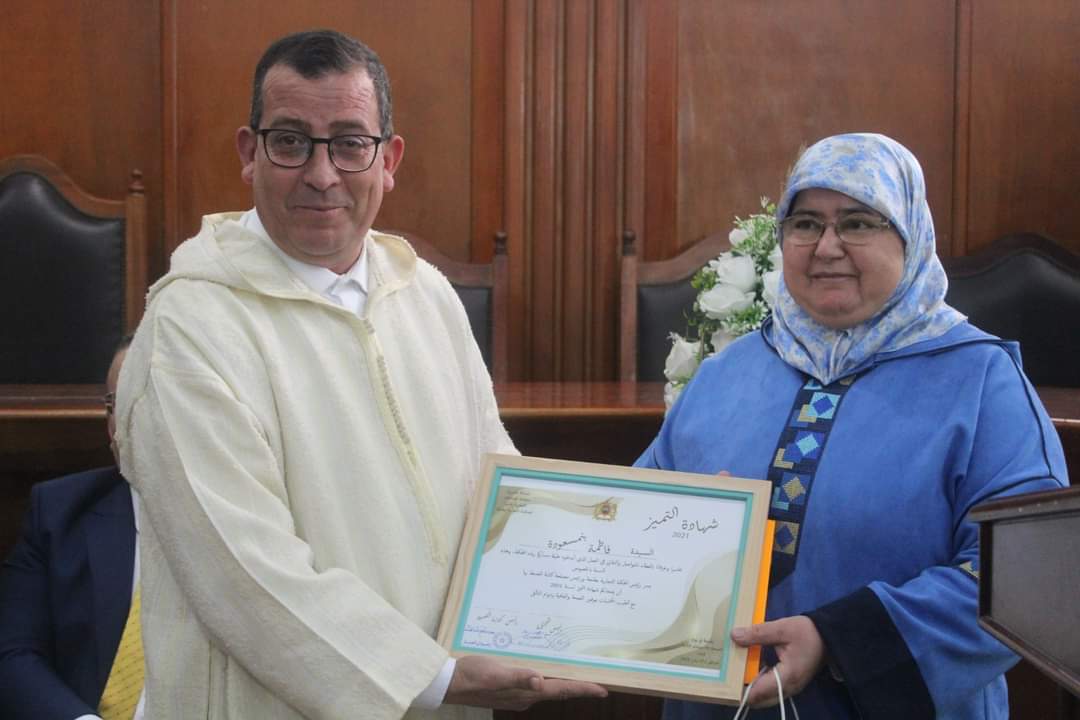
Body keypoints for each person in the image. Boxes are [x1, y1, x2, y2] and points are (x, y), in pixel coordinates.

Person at [113, 29, 605, 719]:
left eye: (349, 143)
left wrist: (647, 551)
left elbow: (498, 482)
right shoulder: (190, 327)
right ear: (250, 154)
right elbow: (245, 572)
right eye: (291, 142)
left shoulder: (425, 294)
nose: (322, 174)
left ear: (389, 159)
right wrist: (430, 678)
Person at [637, 133, 1067, 719]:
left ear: (910, 236)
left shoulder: (982, 383)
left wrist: (837, 642)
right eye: (805, 223)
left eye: (859, 223)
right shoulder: (724, 374)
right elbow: (637, 527)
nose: (826, 247)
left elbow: (1023, 579)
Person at [0, 338, 144, 719]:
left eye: (149, 401)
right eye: (117, 405)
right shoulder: (59, 514)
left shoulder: (260, 522)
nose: (129, 421)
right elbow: (13, 655)